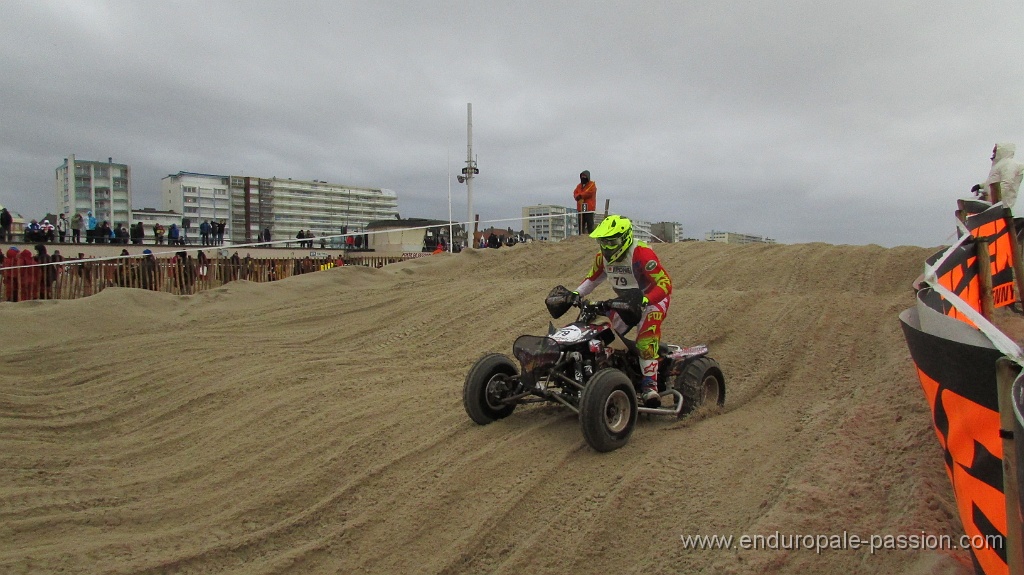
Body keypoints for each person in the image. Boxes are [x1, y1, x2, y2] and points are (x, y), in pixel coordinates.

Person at [571, 215, 673, 407]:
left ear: (625, 237)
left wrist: (646, 299)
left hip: (652, 300)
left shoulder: (641, 254)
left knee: (645, 341)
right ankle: (605, 376)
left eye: (612, 241)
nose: (608, 246)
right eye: (603, 241)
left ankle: (650, 387)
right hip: (625, 302)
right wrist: (576, 294)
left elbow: (665, 283)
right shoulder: (602, 257)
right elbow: (591, 280)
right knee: (603, 333)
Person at [972, 142, 1024, 220]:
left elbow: (1006, 183)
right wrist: (981, 186)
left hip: (1001, 207)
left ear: (1002, 150)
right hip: (993, 205)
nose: (993, 153)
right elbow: (994, 181)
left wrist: (993, 199)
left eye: (995, 151)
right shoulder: (1000, 165)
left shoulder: (1010, 164)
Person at [573, 170, 597, 235]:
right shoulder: (579, 186)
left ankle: (591, 236)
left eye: (584, 176)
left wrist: (581, 195)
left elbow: (589, 193)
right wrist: (577, 196)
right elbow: (575, 193)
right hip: (580, 208)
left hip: (589, 208)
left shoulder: (592, 185)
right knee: (581, 223)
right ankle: (581, 235)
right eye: (582, 176)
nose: (583, 178)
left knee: (590, 223)